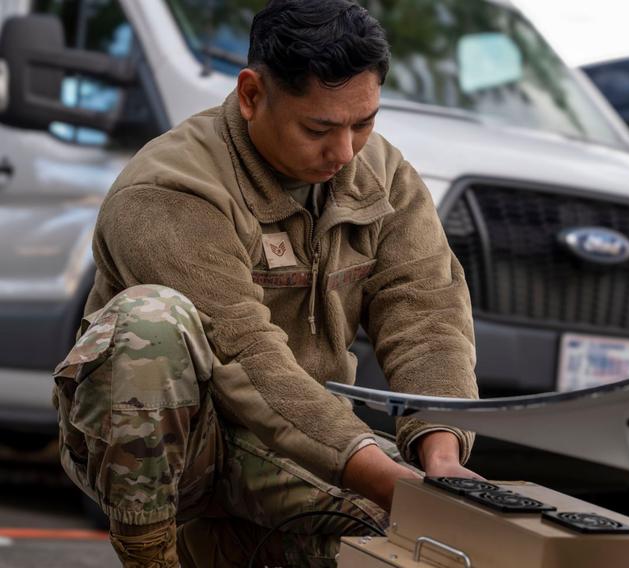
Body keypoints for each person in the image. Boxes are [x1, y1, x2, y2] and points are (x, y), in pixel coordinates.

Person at [51, 1, 480, 565]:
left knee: (426, 534)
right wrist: (369, 467)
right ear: (252, 95)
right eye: (319, 128)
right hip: (181, 448)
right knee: (149, 320)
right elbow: (246, 355)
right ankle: (151, 556)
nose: (345, 152)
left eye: (364, 122)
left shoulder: (382, 176)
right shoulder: (167, 192)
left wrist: (440, 452)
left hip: (297, 438)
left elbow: (427, 315)